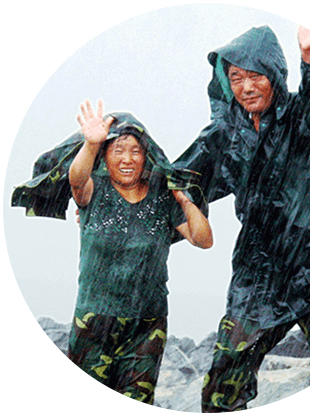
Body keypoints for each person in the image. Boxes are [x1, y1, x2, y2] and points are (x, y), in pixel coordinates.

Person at [174, 26, 310, 412]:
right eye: (235, 77)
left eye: (255, 75)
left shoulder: (302, 115)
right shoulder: (226, 135)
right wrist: (119, 199)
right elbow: (179, 181)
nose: (246, 87)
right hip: (258, 277)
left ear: (274, 73)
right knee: (222, 387)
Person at [12, 100, 213, 403]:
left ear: (147, 156)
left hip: (148, 324)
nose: (127, 159)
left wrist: (183, 199)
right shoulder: (95, 190)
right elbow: (77, 179)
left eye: (136, 151)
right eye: (118, 150)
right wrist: (92, 143)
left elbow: (204, 240)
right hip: (94, 320)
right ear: (105, 157)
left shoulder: (162, 199)